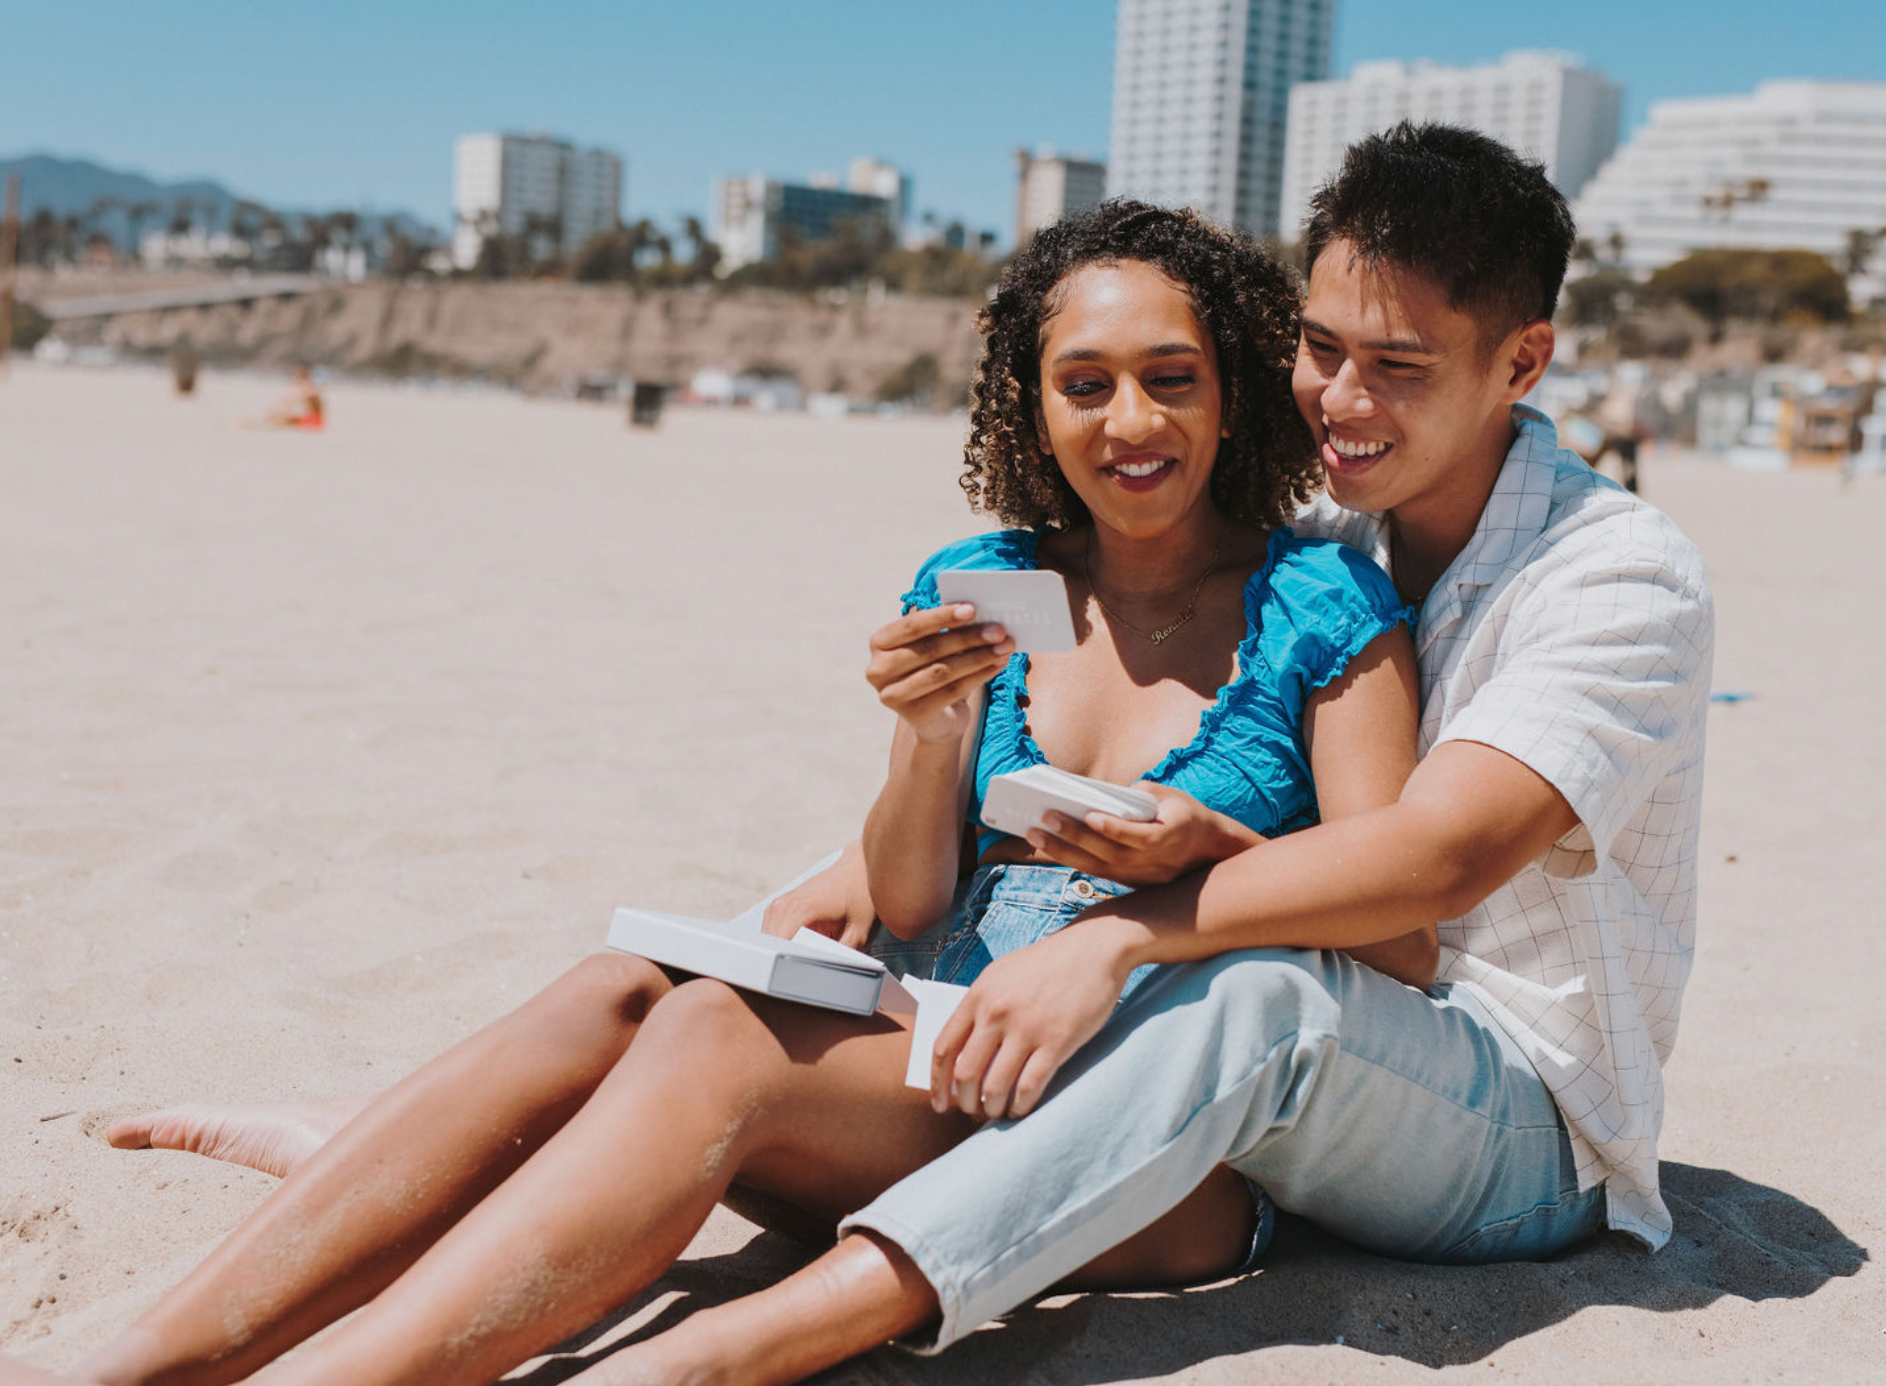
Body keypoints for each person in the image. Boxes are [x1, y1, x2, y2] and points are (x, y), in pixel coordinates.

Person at [13, 203, 1431, 1386]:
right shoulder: (1000, 580)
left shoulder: (1314, 600)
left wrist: (1209, 849)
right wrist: (931, 738)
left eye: (1172, 376)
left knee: (709, 1037)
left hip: (1150, 1142)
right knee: (615, 986)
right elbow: (922, 894)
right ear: (1034, 399)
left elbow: (1402, 931)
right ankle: (144, 1358)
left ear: (1231, 384)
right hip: (938, 1061)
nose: (1132, 419)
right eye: (1087, 381)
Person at [541, 120, 1715, 1378]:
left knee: (1255, 996)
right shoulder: (1330, 523)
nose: (1341, 399)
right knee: (761, 960)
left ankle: (731, 1353)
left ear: (1522, 361)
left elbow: (1434, 861)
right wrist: (883, 830)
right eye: (1320, 349)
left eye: (1400, 365)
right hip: (1294, 1067)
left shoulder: (1616, 574)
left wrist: (1121, 932)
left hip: (1513, 1118)